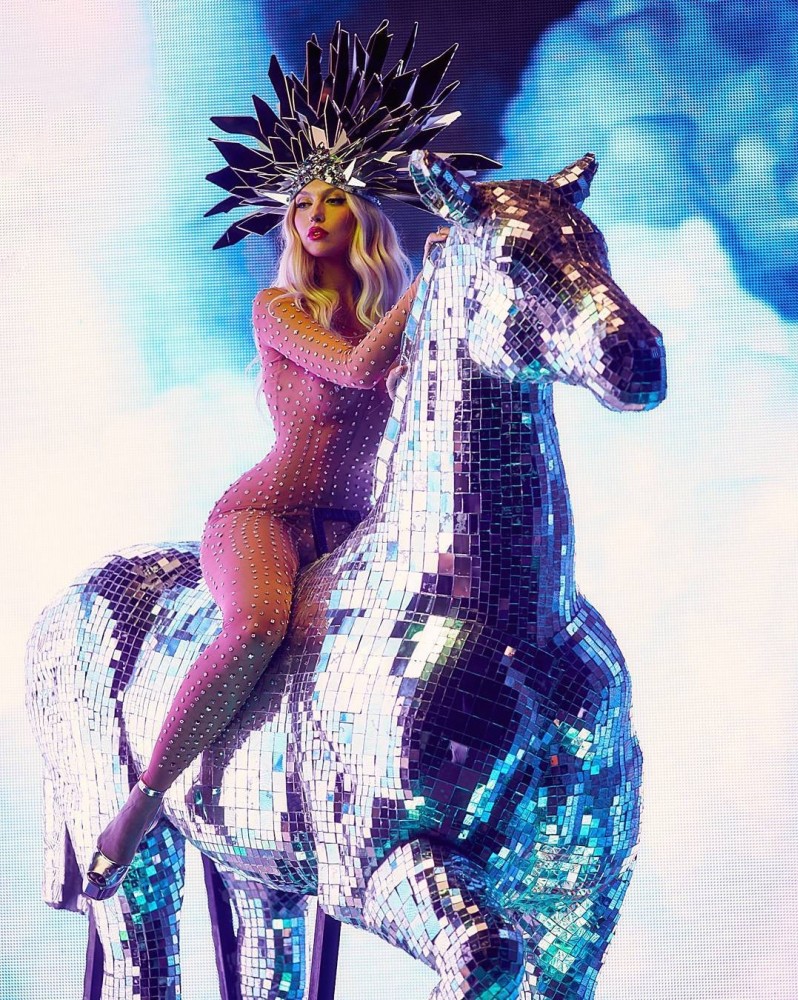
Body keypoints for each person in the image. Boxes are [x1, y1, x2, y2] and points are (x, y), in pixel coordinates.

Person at [83, 20, 497, 900]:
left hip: (355, 527)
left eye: (332, 201)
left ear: (360, 217)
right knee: (257, 628)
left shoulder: (396, 314)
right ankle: (142, 804)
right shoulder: (279, 309)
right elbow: (356, 369)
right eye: (302, 203)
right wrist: (429, 284)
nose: (313, 215)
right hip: (262, 516)